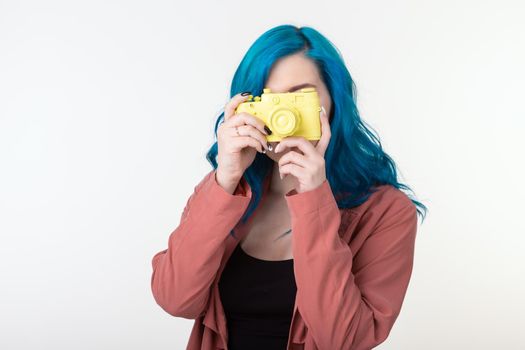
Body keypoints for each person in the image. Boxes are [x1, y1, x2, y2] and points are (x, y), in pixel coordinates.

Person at [151, 24, 427, 350]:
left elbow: (343, 340)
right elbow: (174, 299)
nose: (283, 116)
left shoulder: (386, 211)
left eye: (300, 96)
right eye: (269, 99)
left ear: (334, 101)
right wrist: (224, 181)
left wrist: (313, 198)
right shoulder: (227, 192)